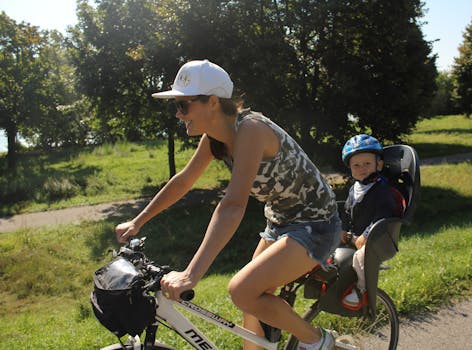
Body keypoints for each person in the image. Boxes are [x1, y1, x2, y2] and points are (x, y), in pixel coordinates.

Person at [115, 59, 341, 350]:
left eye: (183, 105)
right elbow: (183, 181)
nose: (178, 114)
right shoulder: (215, 139)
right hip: (281, 221)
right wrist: (138, 221)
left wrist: (190, 274)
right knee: (253, 300)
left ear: (211, 102)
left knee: (242, 291)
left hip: (317, 225)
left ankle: (319, 342)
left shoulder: (251, 129)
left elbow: (233, 204)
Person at [340, 134, 396, 309]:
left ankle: (362, 290)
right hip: (355, 237)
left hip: (378, 237)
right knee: (328, 240)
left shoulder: (381, 189)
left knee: (360, 257)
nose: (362, 169)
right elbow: (347, 212)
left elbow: (383, 215)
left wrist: (366, 235)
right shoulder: (354, 189)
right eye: (356, 165)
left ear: (378, 164)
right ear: (350, 168)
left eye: (367, 164)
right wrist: (343, 229)